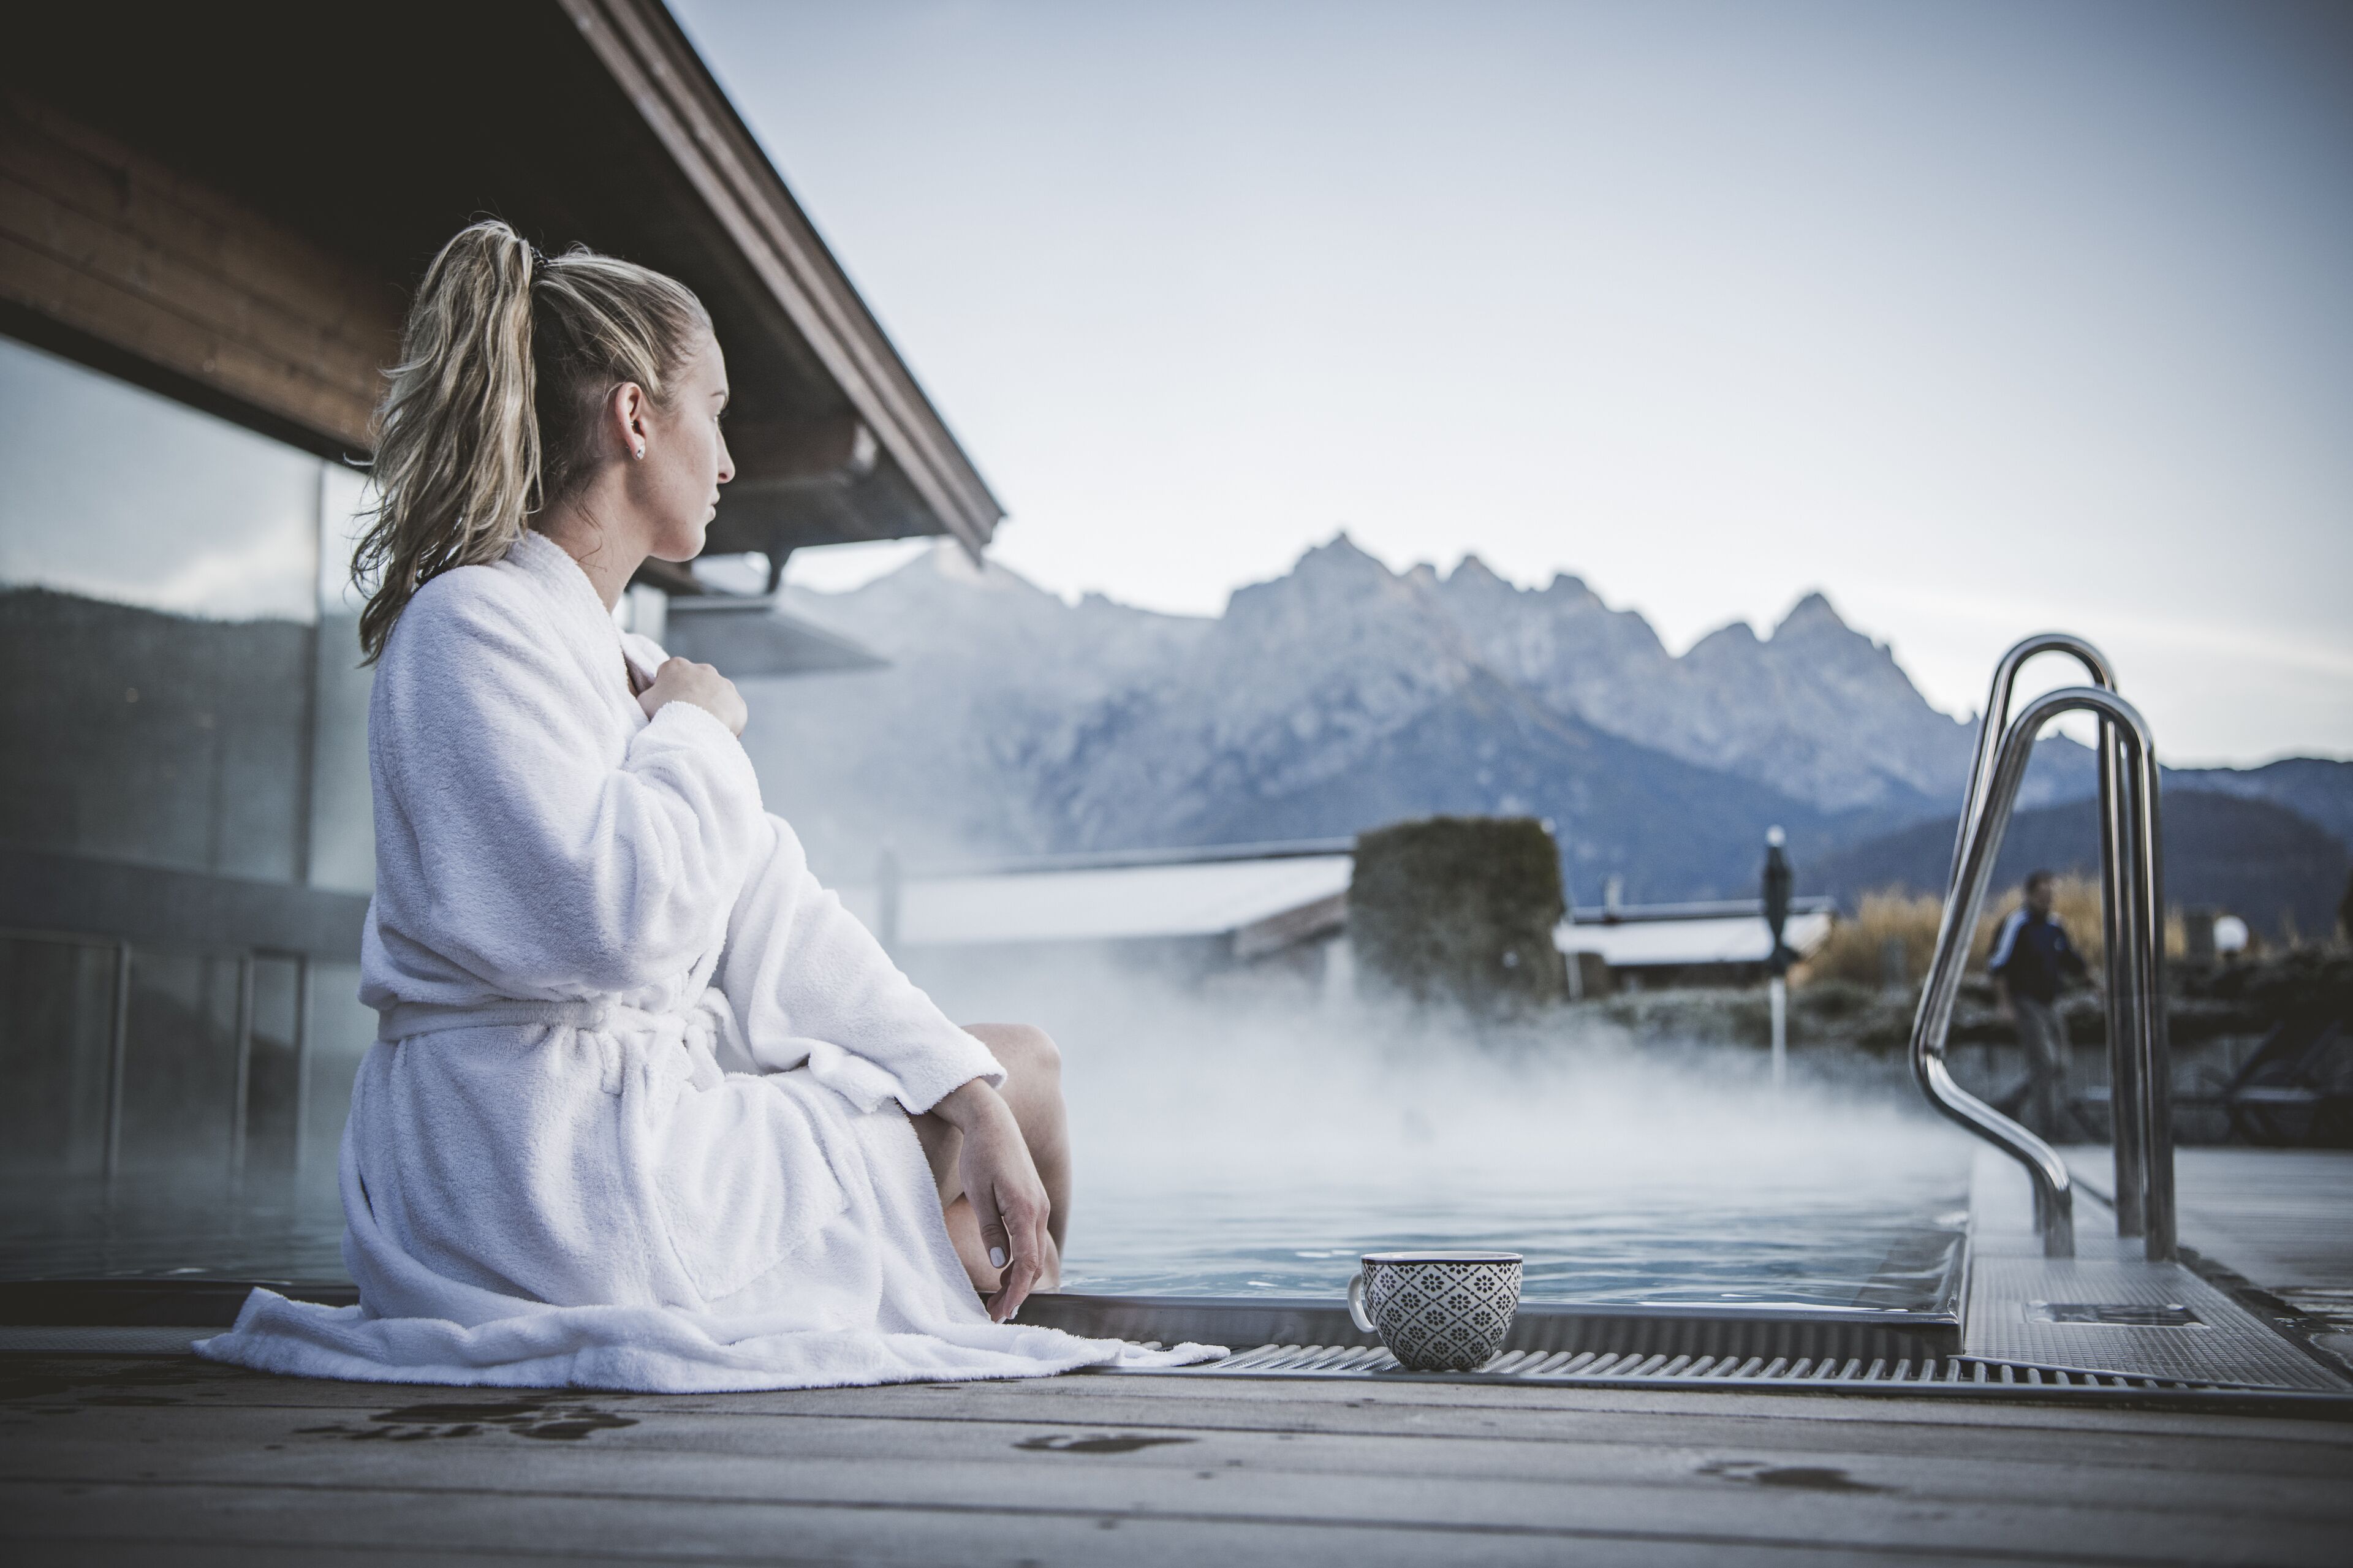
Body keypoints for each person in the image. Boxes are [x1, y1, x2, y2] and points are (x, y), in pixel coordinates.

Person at [196, 222, 1215, 1391]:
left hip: (602, 1142)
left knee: (1010, 1072)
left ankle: (990, 1330)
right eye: (714, 411)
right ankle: (997, 1357)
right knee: (1014, 1082)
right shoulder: (471, 628)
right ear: (637, 418)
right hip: (538, 1177)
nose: (727, 459)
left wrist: (961, 1086)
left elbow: (783, 920)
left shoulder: (617, 660)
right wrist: (692, 729)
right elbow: (611, 916)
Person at [1987, 869, 2090, 1138]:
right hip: (2026, 1002)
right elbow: (1998, 965)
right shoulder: (2016, 924)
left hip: (2052, 1002)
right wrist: (2004, 1004)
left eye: (2051, 895)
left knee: (2061, 1064)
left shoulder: (2055, 925)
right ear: (2030, 895)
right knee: (2044, 1063)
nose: (2047, 900)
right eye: (2042, 895)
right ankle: (2049, 1131)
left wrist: (2096, 984)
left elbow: (2072, 961)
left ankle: (2010, 1102)